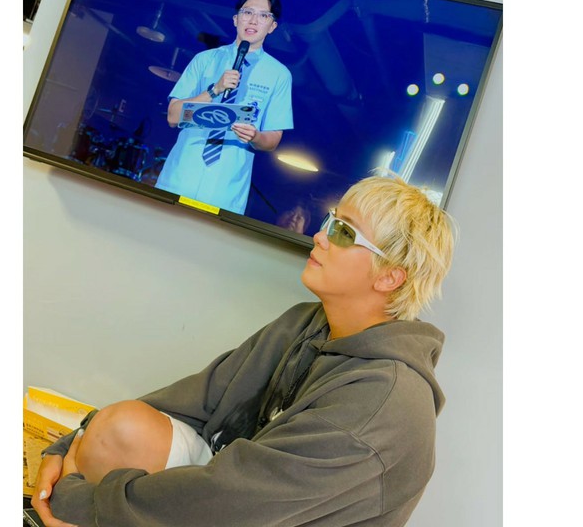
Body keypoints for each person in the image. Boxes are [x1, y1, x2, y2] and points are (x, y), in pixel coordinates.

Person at [32, 173, 456, 527]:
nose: (319, 236)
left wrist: (77, 502)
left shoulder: (382, 405)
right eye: (331, 220)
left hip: (249, 514)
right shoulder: (305, 323)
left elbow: (230, 505)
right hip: (239, 500)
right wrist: (65, 446)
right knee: (121, 425)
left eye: (344, 232)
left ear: (389, 277)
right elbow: (193, 401)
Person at [155, 0, 293, 215]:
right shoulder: (204, 60)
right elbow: (173, 116)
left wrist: (256, 137)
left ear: (272, 26)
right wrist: (214, 90)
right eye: (248, 12)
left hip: (225, 192)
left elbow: (273, 139)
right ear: (236, 19)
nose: (253, 20)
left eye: (263, 15)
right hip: (179, 178)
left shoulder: (279, 75)